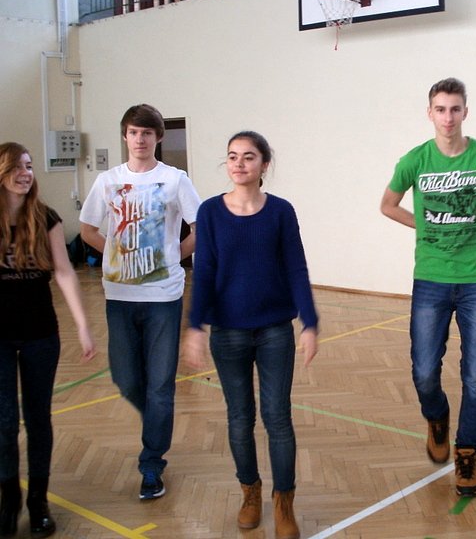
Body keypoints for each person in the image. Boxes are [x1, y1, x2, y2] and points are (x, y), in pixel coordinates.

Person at [380, 77, 476, 496]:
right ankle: (437, 417)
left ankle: (467, 452)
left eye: (455, 109)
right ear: (429, 113)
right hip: (430, 279)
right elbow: (388, 205)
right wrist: (422, 226)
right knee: (424, 371)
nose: (448, 117)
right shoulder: (415, 160)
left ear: (465, 111)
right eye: (440, 109)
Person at [183, 131, 318, 539]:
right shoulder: (210, 212)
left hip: (275, 329)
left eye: (248, 157)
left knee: (278, 417)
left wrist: (309, 321)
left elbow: (296, 267)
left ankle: (284, 502)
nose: (239, 164)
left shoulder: (281, 211)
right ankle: (250, 492)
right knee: (240, 417)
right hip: (228, 332)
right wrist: (195, 326)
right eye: (232, 156)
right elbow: (205, 271)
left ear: (264, 165)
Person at [79, 104, 201, 501]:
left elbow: (201, 227)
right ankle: (157, 421)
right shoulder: (108, 180)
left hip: (164, 295)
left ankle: (152, 464)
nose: (140, 139)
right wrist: (117, 255)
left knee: (160, 385)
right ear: (125, 136)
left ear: (158, 137)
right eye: (134, 132)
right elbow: (87, 229)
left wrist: (173, 256)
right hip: (120, 295)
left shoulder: (175, 179)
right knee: (127, 379)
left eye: (147, 133)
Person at [0, 142, 96, 538]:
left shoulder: (46, 217)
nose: (25, 173)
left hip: (40, 334)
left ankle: (38, 501)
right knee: (5, 421)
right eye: (16, 167)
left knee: (38, 418)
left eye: (28, 166)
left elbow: (65, 272)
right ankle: (9, 500)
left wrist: (83, 325)